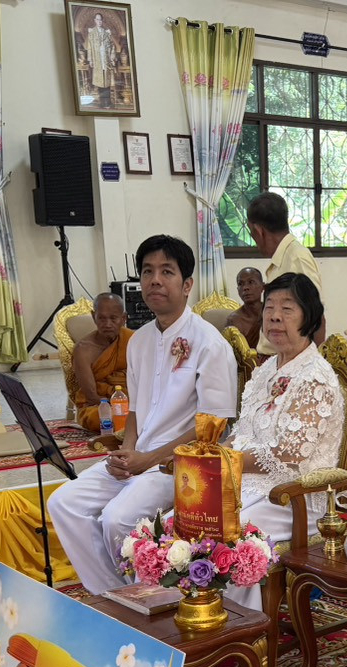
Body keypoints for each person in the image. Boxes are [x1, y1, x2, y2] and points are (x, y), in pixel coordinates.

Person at [48, 235, 239, 593]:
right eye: (147, 272)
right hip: (138, 455)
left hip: (179, 464)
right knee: (63, 503)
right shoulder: (139, 340)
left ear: (187, 285)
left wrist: (148, 459)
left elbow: (213, 427)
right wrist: (127, 452)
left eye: (166, 272)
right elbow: (135, 409)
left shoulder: (209, 343)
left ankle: (142, 599)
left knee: (117, 518)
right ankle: (111, 593)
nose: (155, 280)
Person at [223, 273, 343, 608]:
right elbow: (242, 430)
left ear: (309, 317)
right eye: (269, 308)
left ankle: (241, 626)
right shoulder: (266, 370)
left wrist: (228, 461)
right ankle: (194, 621)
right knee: (183, 519)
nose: (275, 317)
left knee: (231, 536)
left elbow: (288, 455)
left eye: (287, 309)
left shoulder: (315, 377)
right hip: (247, 485)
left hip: (294, 498)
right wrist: (214, 455)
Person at [247, 192, 322, 356]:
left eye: (252, 235)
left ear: (258, 231)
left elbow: (317, 318)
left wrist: (312, 363)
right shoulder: (281, 259)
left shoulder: (297, 258)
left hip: (290, 361)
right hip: (275, 359)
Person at [70, 292, 132, 432]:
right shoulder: (83, 349)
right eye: (101, 318)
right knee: (101, 419)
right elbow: (92, 396)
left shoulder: (133, 340)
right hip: (99, 405)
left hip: (133, 402)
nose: (107, 324)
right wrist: (119, 407)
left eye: (113, 318)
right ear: (94, 317)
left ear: (123, 318)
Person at [224, 266, 264, 349]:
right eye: (240, 284)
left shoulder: (271, 313)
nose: (245, 288)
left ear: (262, 286)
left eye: (251, 282)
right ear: (238, 290)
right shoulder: (234, 320)